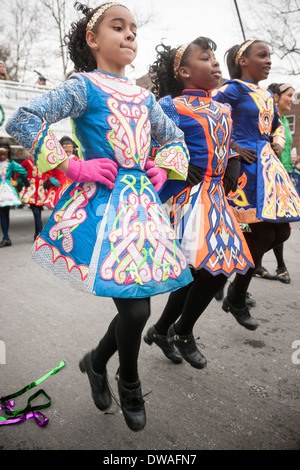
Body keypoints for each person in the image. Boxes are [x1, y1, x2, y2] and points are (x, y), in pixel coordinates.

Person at [5, 2, 193, 432]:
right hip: (101, 211)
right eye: (118, 26)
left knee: (137, 309)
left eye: (133, 29)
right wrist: (73, 166)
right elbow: (25, 118)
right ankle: (128, 379)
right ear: (93, 39)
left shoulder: (146, 97)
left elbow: (174, 138)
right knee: (136, 312)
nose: (129, 35)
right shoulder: (83, 86)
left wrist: (163, 166)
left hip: (143, 211)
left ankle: (96, 362)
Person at [143, 36, 255, 370]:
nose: (216, 63)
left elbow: (227, 141)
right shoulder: (170, 105)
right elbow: (154, 143)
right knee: (208, 267)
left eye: (216, 57)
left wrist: (233, 163)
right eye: (206, 58)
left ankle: (165, 330)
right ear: (184, 72)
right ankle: (182, 331)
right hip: (188, 196)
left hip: (218, 196)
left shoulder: (223, 107)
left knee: (219, 267)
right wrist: (177, 165)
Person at [211, 40, 300, 322]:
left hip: (268, 170)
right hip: (245, 170)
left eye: (270, 56)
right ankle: (233, 293)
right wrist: (233, 148)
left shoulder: (264, 94)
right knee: (259, 234)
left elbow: (275, 123)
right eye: (262, 55)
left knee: (281, 233)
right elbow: (211, 119)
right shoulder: (232, 89)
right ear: (243, 61)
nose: (269, 60)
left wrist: (277, 137)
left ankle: (226, 284)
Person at [254, 83, 295, 284]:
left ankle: (260, 266)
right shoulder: (266, 115)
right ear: (276, 96)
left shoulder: (284, 122)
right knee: (268, 226)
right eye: (289, 95)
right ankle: (277, 266)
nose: (292, 100)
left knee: (281, 225)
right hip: (267, 175)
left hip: (285, 174)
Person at [0, 140, 27, 247]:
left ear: (8, 153)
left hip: (7, 190)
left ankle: (6, 238)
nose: (2, 156)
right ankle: (6, 237)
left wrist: (17, 182)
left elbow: (23, 171)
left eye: (4, 154)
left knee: (4, 214)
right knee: (3, 214)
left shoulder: (11, 164)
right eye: (0, 154)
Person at [17, 158, 52, 239]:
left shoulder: (46, 163)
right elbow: (18, 169)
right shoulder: (28, 161)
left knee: (38, 214)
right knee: (36, 213)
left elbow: (51, 174)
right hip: (31, 191)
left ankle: (37, 234)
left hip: (41, 191)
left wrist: (48, 184)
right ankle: (42, 235)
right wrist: (24, 179)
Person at [44, 136, 78, 210]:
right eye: (66, 151)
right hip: (59, 186)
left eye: (70, 152)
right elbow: (48, 172)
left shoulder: (76, 159)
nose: (68, 153)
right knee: (59, 209)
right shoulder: (56, 159)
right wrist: (51, 178)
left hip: (72, 186)